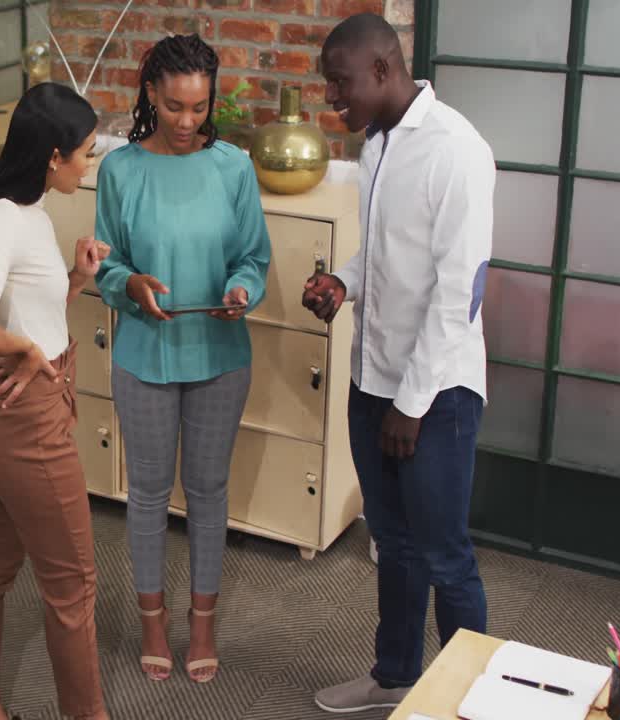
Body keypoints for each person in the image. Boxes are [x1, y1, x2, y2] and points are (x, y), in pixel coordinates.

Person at [303, 13, 495, 713]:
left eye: (339, 83)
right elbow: (385, 250)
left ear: (383, 70)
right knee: (395, 543)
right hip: (370, 379)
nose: (332, 99)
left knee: (446, 555)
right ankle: (396, 678)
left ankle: (469, 700)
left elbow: (459, 295)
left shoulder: (457, 152)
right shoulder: (376, 145)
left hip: (435, 396)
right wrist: (345, 283)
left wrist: (410, 405)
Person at [94, 33, 271, 685]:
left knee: (208, 491)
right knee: (145, 495)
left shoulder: (234, 169)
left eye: (199, 107)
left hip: (220, 354)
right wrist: (130, 287)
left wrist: (241, 291)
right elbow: (107, 265)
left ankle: (201, 622)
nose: (188, 121)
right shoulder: (120, 170)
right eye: (174, 107)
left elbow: (253, 259)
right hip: (144, 356)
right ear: (151, 95)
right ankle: (150, 622)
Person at [0, 82, 111, 720]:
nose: (88, 165)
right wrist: (21, 347)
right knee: (72, 585)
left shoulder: (24, 211)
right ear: (52, 156)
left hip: (3, 415)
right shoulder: (0, 220)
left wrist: (74, 280)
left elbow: (28, 313)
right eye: (85, 154)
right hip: (28, 421)